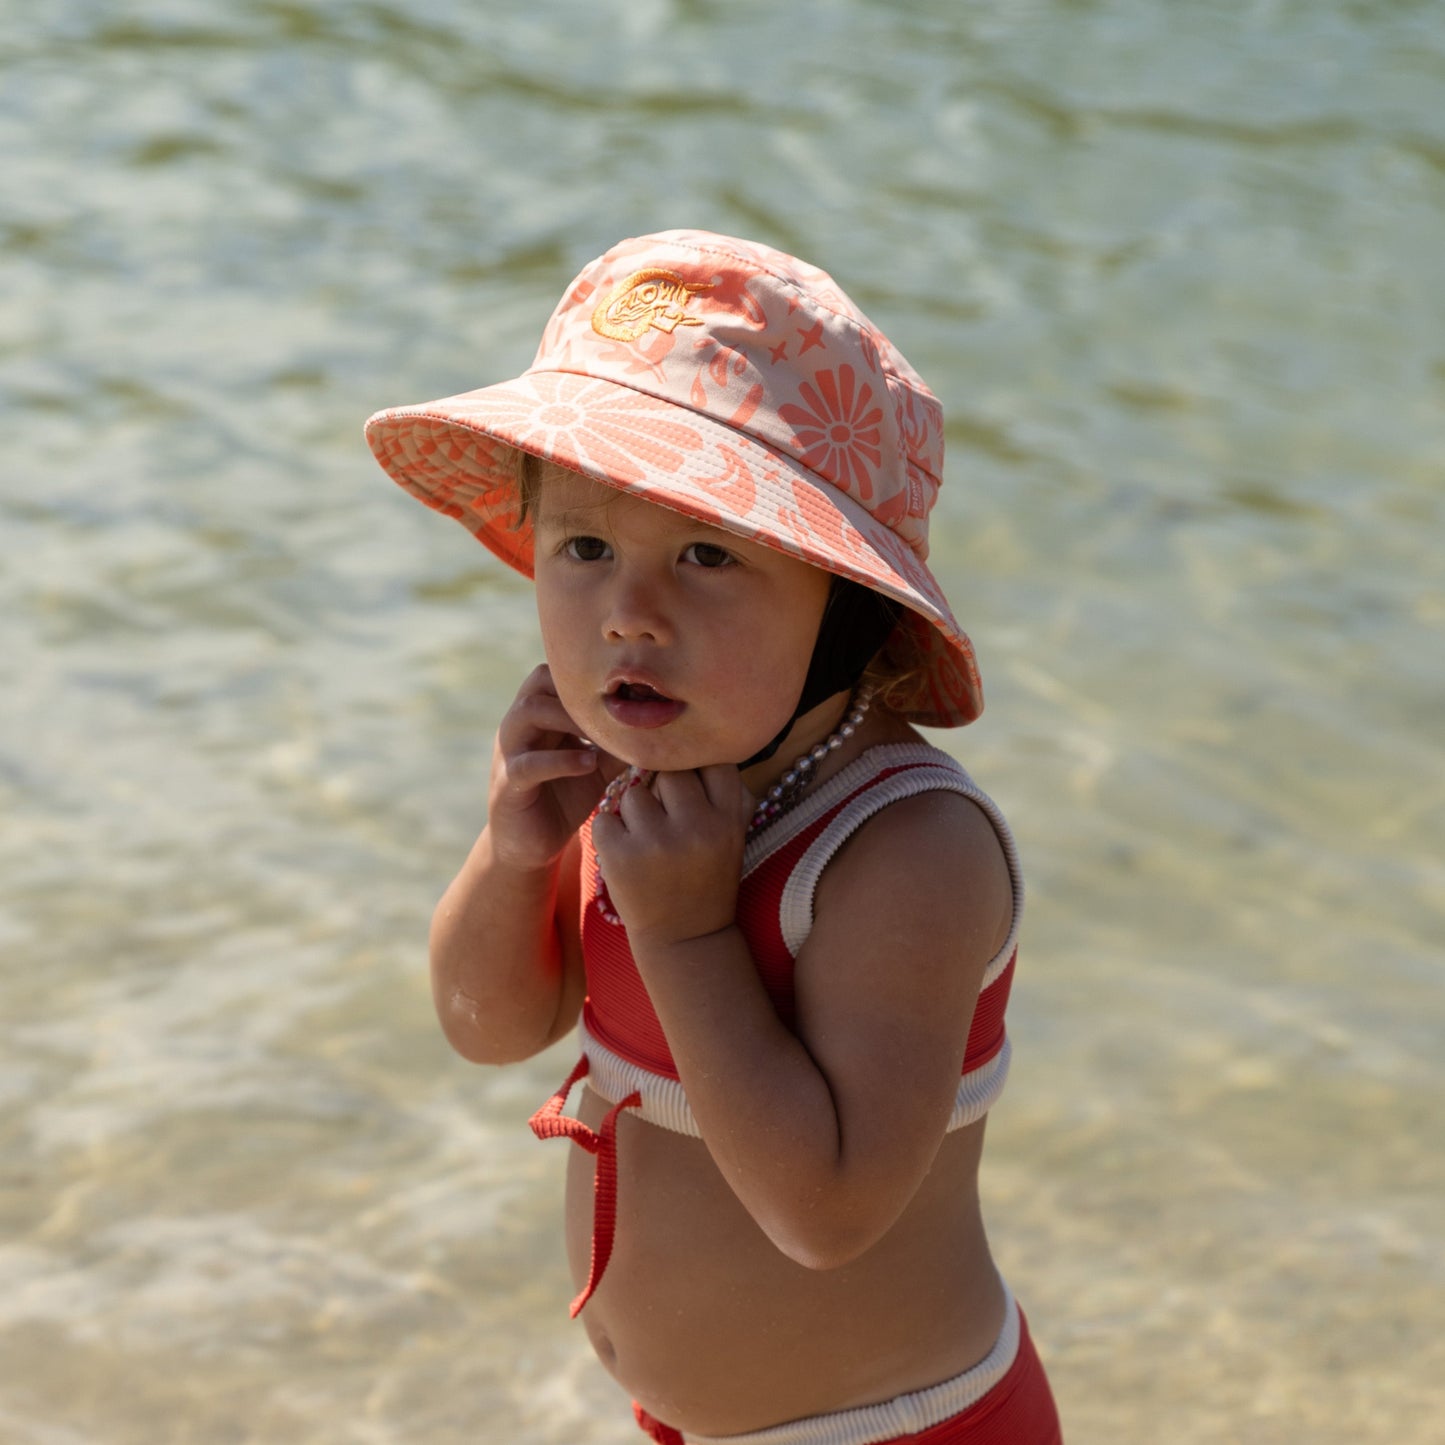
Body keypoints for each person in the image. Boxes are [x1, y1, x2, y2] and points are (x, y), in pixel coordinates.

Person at [365, 230, 1062, 1445]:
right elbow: (489, 1026)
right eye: (584, 547)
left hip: (897, 1427)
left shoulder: (903, 850)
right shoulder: (643, 786)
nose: (629, 615)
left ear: (846, 603)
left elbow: (826, 1210)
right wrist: (517, 850)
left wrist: (686, 931)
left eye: (705, 554)